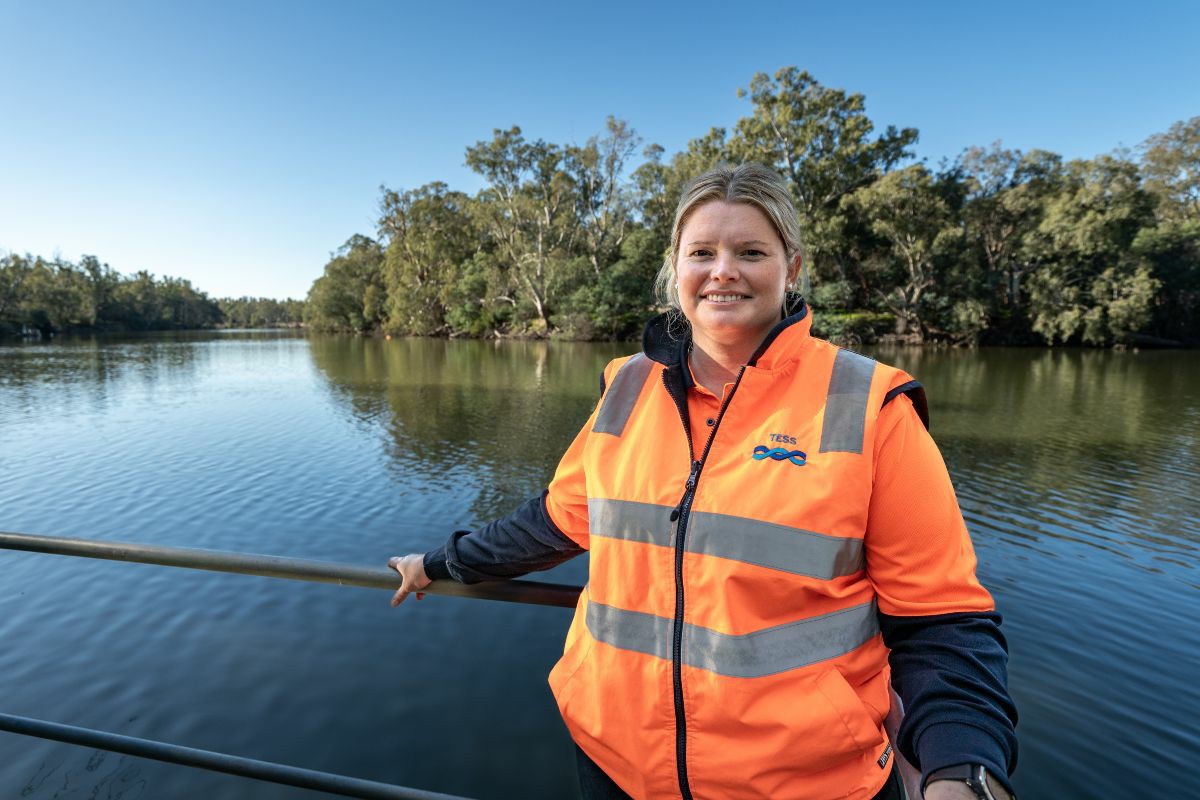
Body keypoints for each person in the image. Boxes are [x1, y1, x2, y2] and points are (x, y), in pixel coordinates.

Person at [388, 163, 1018, 800]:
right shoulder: (626, 386)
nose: (723, 271)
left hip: (803, 784)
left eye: (750, 252)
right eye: (702, 253)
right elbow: (556, 520)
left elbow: (942, 619)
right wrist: (442, 562)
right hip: (614, 763)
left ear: (790, 267)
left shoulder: (870, 405)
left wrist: (961, 772)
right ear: (676, 267)